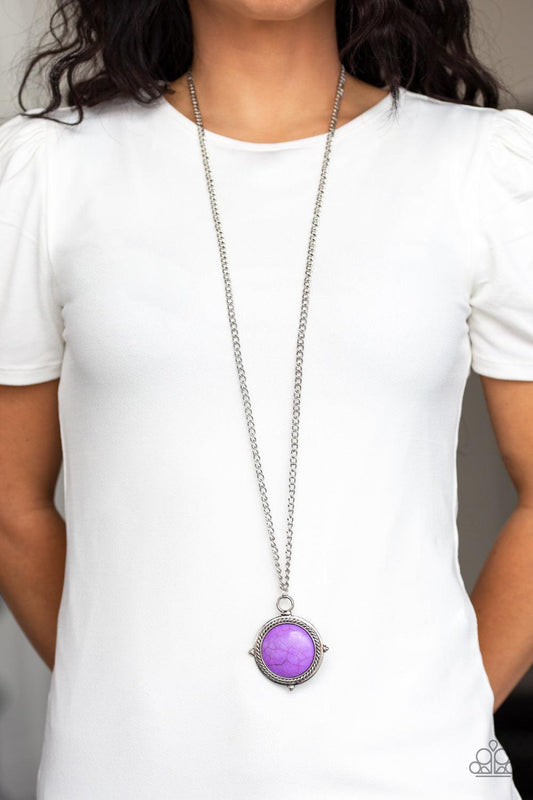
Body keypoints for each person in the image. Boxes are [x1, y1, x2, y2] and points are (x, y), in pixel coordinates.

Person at [0, 0, 532, 797]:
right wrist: (118, 700)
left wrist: (445, 718)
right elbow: (11, 505)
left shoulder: (483, 164)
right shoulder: (50, 170)